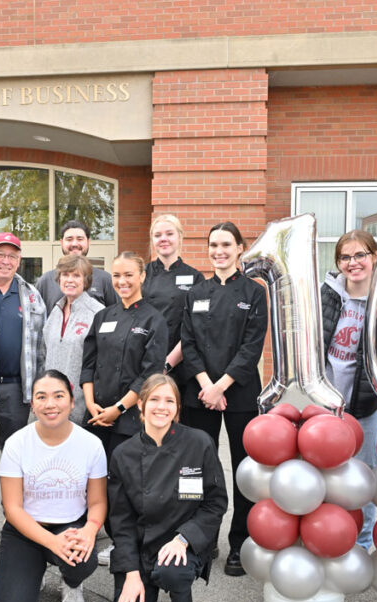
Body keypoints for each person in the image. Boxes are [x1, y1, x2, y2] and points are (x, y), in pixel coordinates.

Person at [108, 374, 228, 602]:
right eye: (154, 400)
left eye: (169, 401)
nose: (161, 407)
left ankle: (180, 595)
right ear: (140, 405)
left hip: (182, 547)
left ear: (177, 408)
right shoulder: (123, 454)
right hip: (140, 551)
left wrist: (183, 539)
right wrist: (131, 574)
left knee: (173, 572)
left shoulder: (199, 443)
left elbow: (215, 503)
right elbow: (121, 523)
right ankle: (146, 583)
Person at [179, 221, 268, 577]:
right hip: (198, 392)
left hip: (240, 393)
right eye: (214, 244)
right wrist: (206, 385)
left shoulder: (254, 291)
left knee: (243, 470)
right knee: (197, 470)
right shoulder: (196, 292)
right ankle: (201, 539)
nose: (219, 251)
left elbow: (252, 346)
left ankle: (239, 543)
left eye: (226, 245)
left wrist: (222, 386)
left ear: (240, 248)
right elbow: (189, 343)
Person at [0, 370, 107, 602]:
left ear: (71, 401)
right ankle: (34, 571)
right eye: (41, 397)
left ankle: (71, 582)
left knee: (82, 557)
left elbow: (98, 502)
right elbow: (12, 508)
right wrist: (51, 542)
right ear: (32, 405)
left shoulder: (91, 444)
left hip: (71, 526)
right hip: (26, 527)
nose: (50, 404)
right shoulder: (17, 443)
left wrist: (90, 530)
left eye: (58, 396)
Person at [81, 251, 167, 566]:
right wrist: (91, 404)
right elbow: (88, 365)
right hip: (95, 417)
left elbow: (150, 374)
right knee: (96, 481)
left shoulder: (154, 320)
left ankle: (126, 544)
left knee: (125, 485)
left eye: (129, 275)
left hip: (128, 419)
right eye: (117, 276)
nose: (122, 282)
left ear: (142, 276)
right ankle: (103, 535)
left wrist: (118, 408)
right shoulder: (102, 317)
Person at [320, 230, 377, 549]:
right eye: (345, 257)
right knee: (322, 475)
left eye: (360, 255)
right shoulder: (327, 293)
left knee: (363, 477)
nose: (353, 263)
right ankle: (326, 536)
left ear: (374, 257)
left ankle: (363, 542)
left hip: (364, 405)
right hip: (326, 404)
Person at [0, 232, 48, 450]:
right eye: (0, 254)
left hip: (16, 390)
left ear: (19, 260)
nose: (6, 261)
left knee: (15, 453)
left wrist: (38, 389)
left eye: (12, 256)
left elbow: (42, 348)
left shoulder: (32, 295)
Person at [41, 255, 105, 425]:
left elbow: (102, 364)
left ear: (86, 280)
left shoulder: (98, 313)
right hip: (52, 406)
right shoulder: (55, 312)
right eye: (65, 275)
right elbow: (44, 354)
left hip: (82, 409)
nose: (70, 280)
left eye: (76, 275)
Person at [142, 214, 203, 380]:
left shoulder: (196, 277)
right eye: (157, 235)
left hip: (180, 363)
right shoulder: (142, 273)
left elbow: (196, 327)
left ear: (180, 237)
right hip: (143, 362)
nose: (163, 239)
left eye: (169, 234)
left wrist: (167, 364)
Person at [35, 220, 117, 311]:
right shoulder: (45, 281)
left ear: (88, 242)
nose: (74, 244)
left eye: (80, 239)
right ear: (61, 242)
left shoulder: (105, 280)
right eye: (69, 239)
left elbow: (116, 316)